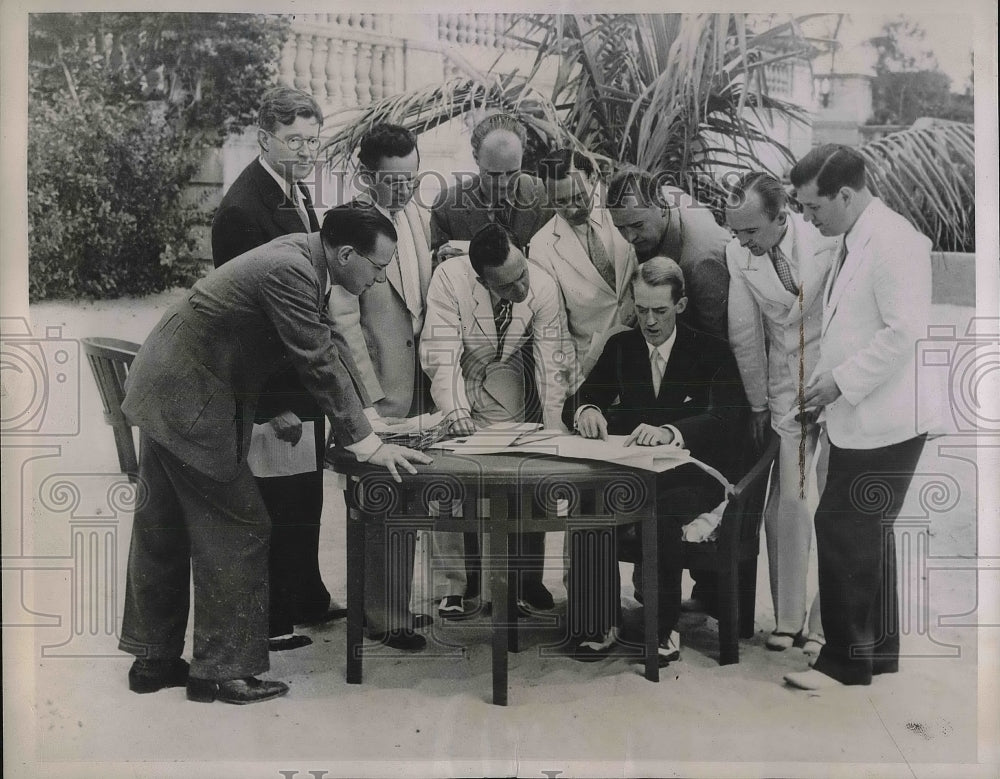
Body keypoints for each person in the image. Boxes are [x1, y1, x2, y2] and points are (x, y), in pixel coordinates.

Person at [119, 206, 431, 705]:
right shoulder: (292, 269)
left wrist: (370, 419)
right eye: (378, 267)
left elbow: (328, 341)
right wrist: (369, 444)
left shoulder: (303, 258)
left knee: (164, 528)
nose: (380, 279)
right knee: (241, 527)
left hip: (164, 388)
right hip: (191, 399)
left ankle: (153, 660)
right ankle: (221, 672)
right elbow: (316, 360)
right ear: (346, 254)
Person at [783, 144, 933, 690]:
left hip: (887, 418)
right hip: (861, 412)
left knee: (843, 527)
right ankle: (877, 652)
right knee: (869, 530)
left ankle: (845, 664)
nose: (806, 218)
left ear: (845, 195)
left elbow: (903, 332)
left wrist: (839, 384)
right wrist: (825, 395)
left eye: (812, 206)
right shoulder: (851, 237)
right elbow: (850, 327)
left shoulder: (895, 241)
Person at [560, 257, 744, 662]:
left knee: (660, 512)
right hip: (637, 471)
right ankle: (598, 622)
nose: (649, 321)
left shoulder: (710, 350)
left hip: (693, 473)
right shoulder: (621, 346)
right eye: (641, 310)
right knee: (590, 503)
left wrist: (672, 433)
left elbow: (729, 418)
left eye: (659, 311)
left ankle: (663, 630)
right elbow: (578, 398)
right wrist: (586, 409)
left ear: (680, 305)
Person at [211, 86, 342, 652]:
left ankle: (306, 595)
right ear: (265, 139)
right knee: (276, 502)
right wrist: (271, 403)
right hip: (272, 382)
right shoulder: (243, 209)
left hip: (301, 370)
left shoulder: (292, 188)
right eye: (295, 140)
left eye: (313, 140)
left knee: (305, 495)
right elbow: (242, 319)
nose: (308, 150)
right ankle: (273, 618)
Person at [420, 223, 568, 619]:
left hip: (512, 386)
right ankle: (453, 586)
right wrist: (454, 411)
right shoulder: (449, 279)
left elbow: (553, 363)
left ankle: (521, 583)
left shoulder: (543, 285)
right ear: (481, 279)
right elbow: (441, 350)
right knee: (450, 485)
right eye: (507, 287)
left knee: (521, 484)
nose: (521, 289)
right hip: (462, 383)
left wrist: (554, 430)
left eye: (522, 275)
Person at [725, 171, 840, 654]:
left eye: (751, 230)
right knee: (789, 500)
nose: (741, 240)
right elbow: (745, 335)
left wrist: (836, 383)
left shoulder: (827, 241)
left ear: (781, 216)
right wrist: (757, 402)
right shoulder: (738, 255)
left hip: (837, 383)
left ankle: (823, 621)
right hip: (783, 390)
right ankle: (788, 618)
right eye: (734, 231)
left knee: (836, 505)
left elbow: (849, 315)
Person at [326, 123, 435, 636]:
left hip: (414, 387)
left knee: (406, 496)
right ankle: (380, 615)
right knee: (374, 501)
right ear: (367, 177)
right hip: (377, 394)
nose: (406, 189)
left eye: (412, 177)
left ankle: (392, 607)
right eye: (394, 181)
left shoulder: (417, 213)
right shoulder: (351, 226)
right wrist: (368, 401)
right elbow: (343, 325)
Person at [530, 149, 638, 390]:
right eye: (559, 202)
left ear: (594, 179)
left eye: (579, 197)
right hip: (592, 368)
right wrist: (578, 387)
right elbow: (554, 327)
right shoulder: (541, 246)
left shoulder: (626, 209)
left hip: (646, 350)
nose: (571, 209)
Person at [606, 168, 731, 340]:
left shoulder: (701, 261)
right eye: (620, 228)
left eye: (637, 225)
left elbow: (715, 339)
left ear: (663, 208)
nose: (629, 237)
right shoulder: (658, 199)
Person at [430, 112, 549, 260]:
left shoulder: (547, 196)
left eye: (512, 172)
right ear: (476, 158)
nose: (504, 183)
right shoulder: (447, 206)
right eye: (493, 174)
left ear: (523, 153)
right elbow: (436, 272)